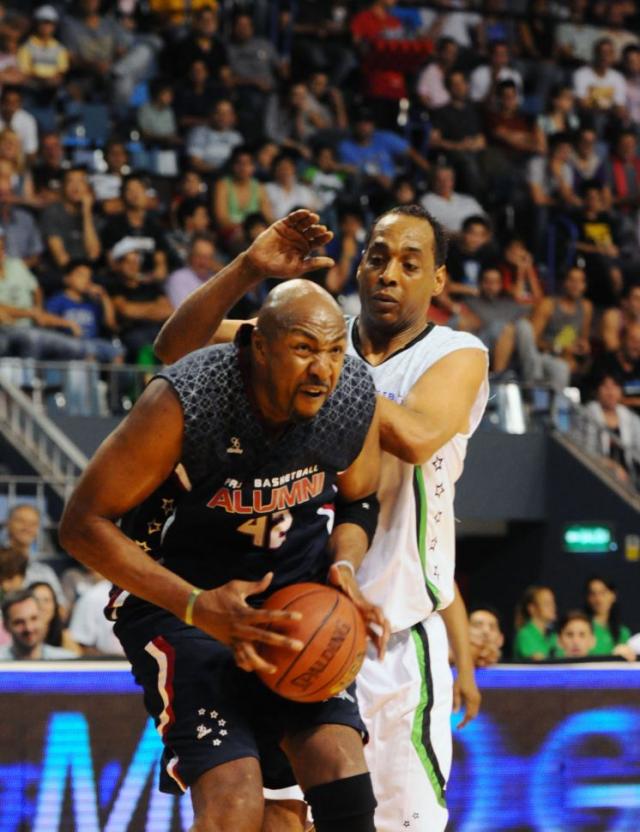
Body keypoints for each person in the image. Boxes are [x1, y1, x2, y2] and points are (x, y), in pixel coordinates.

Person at [154, 205, 488, 832]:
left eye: (411, 264)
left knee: (399, 824)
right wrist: (250, 272)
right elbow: (176, 347)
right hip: (297, 607)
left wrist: (316, 368)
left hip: (390, 624)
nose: (389, 273)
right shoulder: (311, 330)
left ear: (439, 281)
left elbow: (415, 436)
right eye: (378, 257)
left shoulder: (456, 352)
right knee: (279, 818)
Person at [60, 211, 389, 832]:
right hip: (179, 601)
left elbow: (359, 501)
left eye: (333, 351)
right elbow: (81, 526)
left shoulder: (351, 395)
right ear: (257, 347)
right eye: (302, 349)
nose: (323, 369)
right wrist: (197, 607)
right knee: (236, 800)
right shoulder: (188, 399)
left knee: (335, 765)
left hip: (294, 603)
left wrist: (344, 564)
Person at [516, 266, 593, 391]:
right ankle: (534, 386)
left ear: (585, 285)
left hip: (562, 358)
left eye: (580, 281)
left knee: (563, 368)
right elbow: (532, 342)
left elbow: (583, 338)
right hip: (541, 355)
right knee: (523, 327)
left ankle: (556, 407)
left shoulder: (586, 307)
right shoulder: (549, 305)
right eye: (572, 280)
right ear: (564, 283)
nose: (576, 285)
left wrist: (582, 347)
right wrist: (558, 348)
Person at [584, 373, 640, 483]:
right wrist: (611, 465)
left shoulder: (629, 416)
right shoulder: (588, 413)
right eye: (605, 387)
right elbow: (585, 450)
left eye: (615, 386)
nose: (610, 392)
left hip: (629, 478)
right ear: (596, 391)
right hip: (597, 475)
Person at [0, 589, 76, 659]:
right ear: (6, 626)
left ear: (43, 619)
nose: (29, 628)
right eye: (19, 622)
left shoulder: (66, 662)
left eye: (34, 619)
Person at [584, 575, 636, 660]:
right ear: (588, 598)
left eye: (603, 592)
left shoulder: (623, 632)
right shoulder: (580, 629)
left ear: (613, 595)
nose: (598, 599)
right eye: (593, 593)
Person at [28, 580, 79, 653]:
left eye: (47, 600)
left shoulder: (65, 638)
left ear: (55, 606)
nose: (42, 606)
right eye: (36, 600)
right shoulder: (17, 637)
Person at [513, 585, 557, 660]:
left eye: (553, 602)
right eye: (547, 603)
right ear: (532, 608)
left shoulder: (553, 635)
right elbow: (537, 661)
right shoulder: (524, 635)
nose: (553, 606)